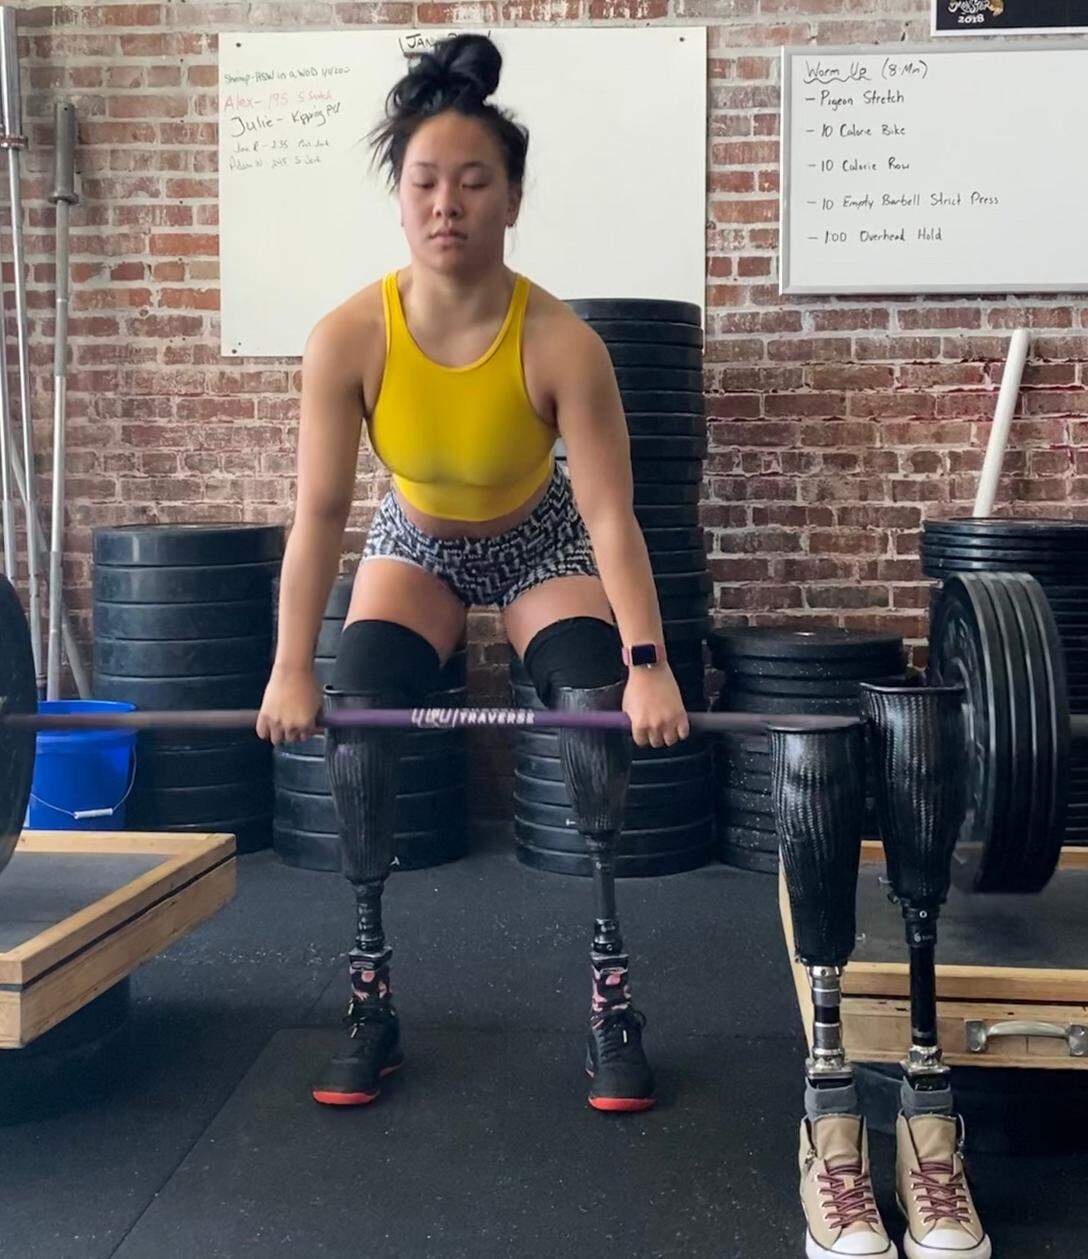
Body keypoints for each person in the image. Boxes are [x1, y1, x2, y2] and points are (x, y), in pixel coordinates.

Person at [257, 32, 688, 1114]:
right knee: (356, 716)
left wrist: (649, 665)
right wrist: (287, 670)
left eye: (473, 181)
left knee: (594, 709)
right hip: (419, 542)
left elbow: (608, 516)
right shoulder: (348, 337)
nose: (446, 202)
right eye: (424, 182)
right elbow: (317, 517)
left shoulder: (561, 342)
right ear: (399, 199)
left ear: (512, 199)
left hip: (540, 536)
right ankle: (370, 996)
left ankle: (611, 999)